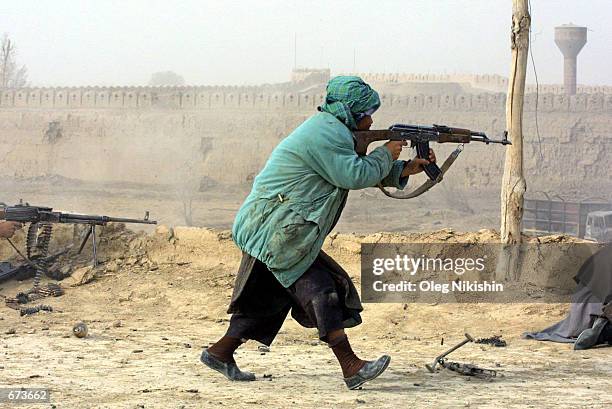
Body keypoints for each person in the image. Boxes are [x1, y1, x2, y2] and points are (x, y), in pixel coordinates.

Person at [201, 76, 436, 389]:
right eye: (366, 112)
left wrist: (405, 169)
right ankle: (351, 366)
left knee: (268, 297)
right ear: (350, 111)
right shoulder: (325, 132)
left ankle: (221, 352)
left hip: (283, 229)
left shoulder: (331, 129)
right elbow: (352, 174)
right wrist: (386, 154)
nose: (370, 119)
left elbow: (344, 170)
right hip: (275, 229)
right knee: (322, 289)